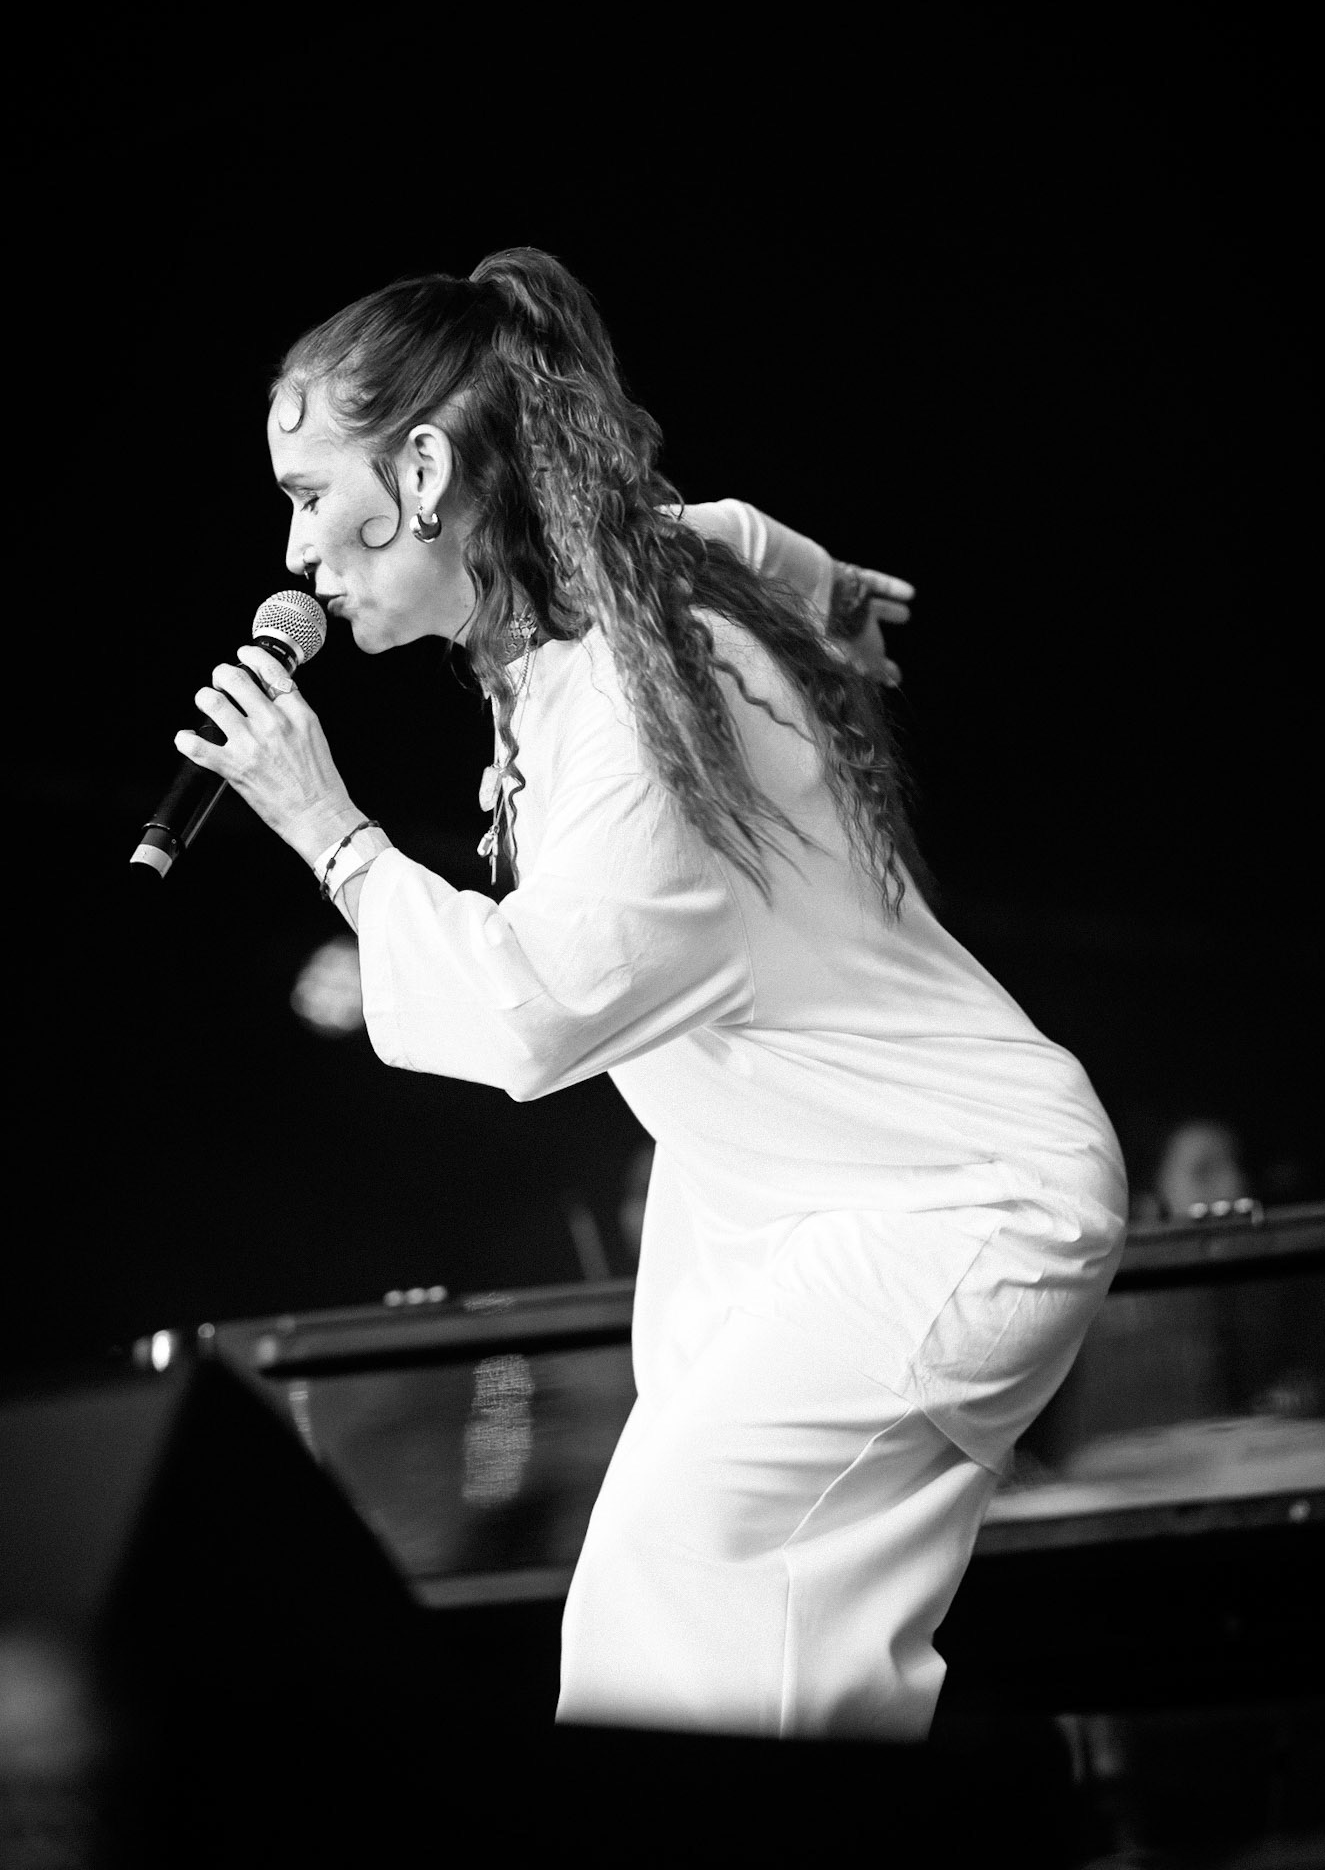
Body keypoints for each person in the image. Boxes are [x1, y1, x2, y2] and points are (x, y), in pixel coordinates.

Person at [174, 249, 1127, 1741]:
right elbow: (729, 530)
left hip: (946, 1199)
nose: (298, 554)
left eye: (309, 495)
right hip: (779, 1196)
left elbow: (538, 1013)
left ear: (422, 473)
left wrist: (331, 831)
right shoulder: (601, 587)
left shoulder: (628, 695)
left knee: (675, 1592)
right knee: (715, 1649)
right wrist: (830, 591)